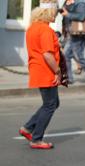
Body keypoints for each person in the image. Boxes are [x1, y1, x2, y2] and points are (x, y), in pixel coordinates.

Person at [19, 0, 61, 149]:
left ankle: (28, 128)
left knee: (53, 103)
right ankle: (36, 139)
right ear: (49, 12)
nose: (56, 15)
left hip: (37, 70)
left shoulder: (33, 28)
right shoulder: (45, 30)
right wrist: (58, 71)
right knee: (50, 105)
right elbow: (47, 55)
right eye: (56, 12)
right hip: (46, 71)